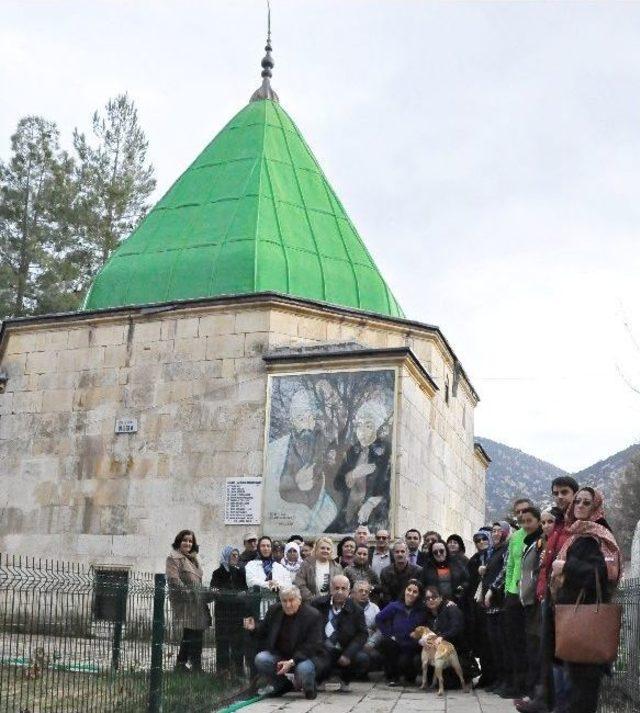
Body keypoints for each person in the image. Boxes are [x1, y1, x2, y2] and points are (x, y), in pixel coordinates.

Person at [551, 487, 621, 713]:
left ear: (596, 507)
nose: (579, 505)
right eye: (577, 501)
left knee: (583, 692)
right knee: (579, 689)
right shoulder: (579, 534)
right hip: (578, 620)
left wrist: (565, 567)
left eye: (586, 503)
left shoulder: (592, 537)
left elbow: (597, 574)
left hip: (585, 622)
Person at [519, 477, 580, 713]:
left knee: (565, 655)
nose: (560, 497)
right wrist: (543, 591)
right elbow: (546, 565)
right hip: (550, 599)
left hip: (569, 600)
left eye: (565, 492)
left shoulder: (578, 525)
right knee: (550, 654)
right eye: (556, 493)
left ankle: (562, 705)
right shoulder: (559, 526)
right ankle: (548, 702)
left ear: (574, 493)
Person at [243, 585, 328, 699]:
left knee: (303, 669)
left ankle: (309, 688)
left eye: (291, 600)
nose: (288, 605)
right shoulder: (274, 610)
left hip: (305, 657)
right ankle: (283, 685)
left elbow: (312, 645)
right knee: (261, 659)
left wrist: (292, 662)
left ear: (299, 600)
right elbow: (263, 631)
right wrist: (253, 628)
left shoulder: (313, 615)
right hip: (281, 656)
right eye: (284, 601)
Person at [166, 530, 213, 673]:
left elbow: (197, 580)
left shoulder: (194, 559)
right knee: (191, 632)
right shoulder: (173, 558)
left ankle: (183, 664)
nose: (188, 543)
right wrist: (188, 592)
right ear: (179, 541)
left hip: (197, 601)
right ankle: (194, 665)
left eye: (190, 541)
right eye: (185, 540)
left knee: (194, 632)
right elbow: (173, 579)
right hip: (185, 601)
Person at [310, 575, 368, 690]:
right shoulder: (317, 604)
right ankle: (320, 679)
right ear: (331, 589)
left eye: (343, 588)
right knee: (317, 661)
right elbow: (310, 628)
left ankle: (344, 680)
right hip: (321, 649)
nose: (340, 592)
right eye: (336, 588)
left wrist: (348, 654)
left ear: (349, 590)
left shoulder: (356, 609)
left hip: (344, 649)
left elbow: (362, 634)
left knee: (362, 659)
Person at [501, 498, 534, 698]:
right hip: (513, 594)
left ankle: (529, 685)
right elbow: (511, 566)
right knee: (513, 641)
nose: (521, 515)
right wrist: (507, 590)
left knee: (529, 642)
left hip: (530, 596)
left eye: (525, 511)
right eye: (518, 512)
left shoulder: (538, 535)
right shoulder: (515, 537)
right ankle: (515, 684)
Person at [375, 578, 426, 686]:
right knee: (386, 643)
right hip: (396, 644)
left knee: (406, 666)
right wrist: (389, 634)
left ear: (419, 595)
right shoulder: (394, 606)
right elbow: (379, 618)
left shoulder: (422, 609)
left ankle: (410, 675)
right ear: (405, 590)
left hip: (412, 646)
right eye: (409, 590)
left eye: (415, 591)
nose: (411, 593)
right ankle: (393, 676)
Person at [423, 585, 474, 687]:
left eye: (434, 597)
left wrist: (443, 636)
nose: (431, 600)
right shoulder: (426, 613)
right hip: (437, 653)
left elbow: (457, 628)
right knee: (419, 660)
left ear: (441, 597)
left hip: (455, 652)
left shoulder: (451, 609)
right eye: (428, 598)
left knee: (449, 683)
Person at [481, 521, 511, 696]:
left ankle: (505, 680)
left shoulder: (505, 549)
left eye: (500, 530)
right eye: (494, 530)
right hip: (490, 606)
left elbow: (505, 571)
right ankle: (498, 679)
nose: (496, 533)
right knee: (494, 645)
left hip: (500, 604)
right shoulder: (493, 551)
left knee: (502, 645)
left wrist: (492, 589)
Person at [518, 506, 544, 699]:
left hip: (536, 600)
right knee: (529, 646)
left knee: (536, 647)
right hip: (526, 600)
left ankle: (537, 691)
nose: (526, 525)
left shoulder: (540, 542)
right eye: (523, 522)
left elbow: (538, 572)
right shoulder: (529, 542)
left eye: (529, 521)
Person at [210, 545, 247, 675]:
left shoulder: (240, 573)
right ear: (226, 556)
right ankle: (222, 671)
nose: (236, 558)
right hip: (223, 613)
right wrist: (229, 594)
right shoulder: (218, 573)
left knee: (238, 642)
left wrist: (236, 595)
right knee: (222, 641)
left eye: (237, 555)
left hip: (237, 613)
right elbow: (215, 590)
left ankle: (238, 670)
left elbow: (244, 591)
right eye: (233, 555)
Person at [467, 529, 495, 688]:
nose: (481, 542)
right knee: (483, 644)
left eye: (484, 539)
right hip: (478, 608)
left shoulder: (496, 556)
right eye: (477, 540)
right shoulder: (474, 560)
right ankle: (486, 676)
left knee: (494, 644)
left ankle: (496, 677)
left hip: (493, 604)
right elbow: (470, 584)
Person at [420, 539, 469, 608]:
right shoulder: (427, 567)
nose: (439, 554)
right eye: (435, 552)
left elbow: (466, 581)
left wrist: (459, 592)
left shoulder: (457, 564)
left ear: (446, 551)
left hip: (456, 604)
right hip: (434, 606)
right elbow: (422, 586)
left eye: (441, 551)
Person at [294, 537, 343, 601]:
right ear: (316, 549)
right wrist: (313, 599)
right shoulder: (306, 564)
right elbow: (300, 584)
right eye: (322, 548)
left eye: (328, 549)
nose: (325, 551)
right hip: (311, 603)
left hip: (330, 603)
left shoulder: (337, 567)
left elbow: (341, 585)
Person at [351, 579, 382, 672]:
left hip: (368, 644)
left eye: (366, 591)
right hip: (351, 644)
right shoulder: (347, 606)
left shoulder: (374, 608)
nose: (364, 593)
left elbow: (380, 629)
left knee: (376, 657)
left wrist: (372, 643)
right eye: (361, 591)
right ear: (354, 593)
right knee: (362, 658)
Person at [379, 540, 422, 606]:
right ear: (393, 553)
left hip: (412, 608)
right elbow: (387, 597)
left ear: (407, 553)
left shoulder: (418, 571)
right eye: (397, 552)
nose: (400, 554)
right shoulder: (385, 572)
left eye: (402, 551)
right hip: (392, 609)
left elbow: (419, 595)